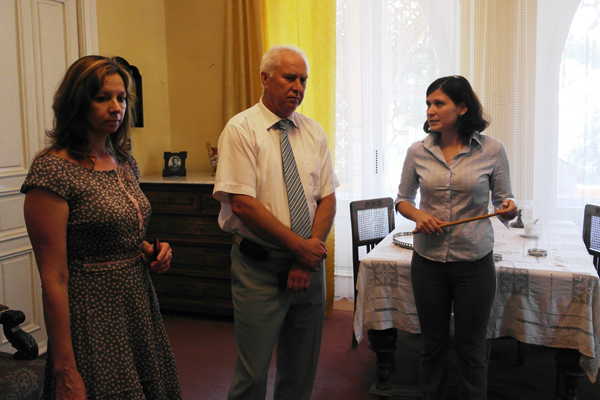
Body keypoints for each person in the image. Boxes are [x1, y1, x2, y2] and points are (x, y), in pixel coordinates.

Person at [21, 55, 182, 400]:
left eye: (121, 98)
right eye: (102, 98)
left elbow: (116, 232)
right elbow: (54, 278)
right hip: (92, 315)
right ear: (77, 103)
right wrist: (65, 367)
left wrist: (150, 251)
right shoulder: (52, 172)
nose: (116, 107)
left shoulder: (124, 163)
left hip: (138, 307)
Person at [213, 44, 338, 400]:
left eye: (304, 80)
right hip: (260, 269)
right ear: (265, 79)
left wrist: (305, 258)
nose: (298, 87)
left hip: (308, 268)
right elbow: (242, 204)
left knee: (300, 370)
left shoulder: (313, 132)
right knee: (252, 373)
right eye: (290, 78)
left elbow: (328, 197)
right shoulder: (240, 129)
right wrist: (300, 249)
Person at [395, 75, 518, 399]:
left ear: (462, 108)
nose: (430, 110)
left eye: (439, 103)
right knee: (432, 345)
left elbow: (504, 201)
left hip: (474, 263)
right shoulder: (417, 151)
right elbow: (403, 199)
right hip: (428, 263)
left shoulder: (493, 150)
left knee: (472, 347)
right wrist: (419, 216)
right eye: (428, 103)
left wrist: (508, 209)